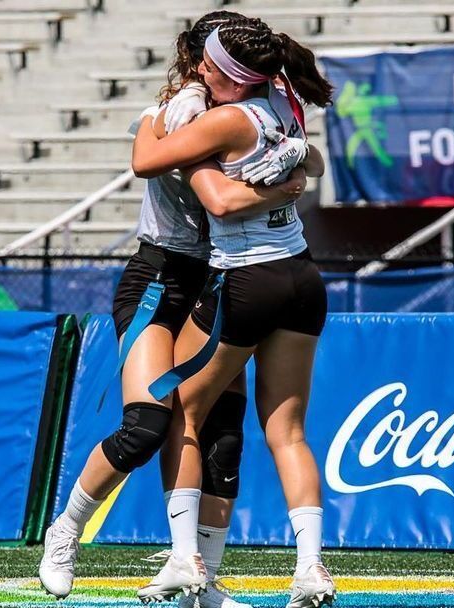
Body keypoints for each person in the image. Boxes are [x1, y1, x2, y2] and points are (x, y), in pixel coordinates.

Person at [38, 12, 310, 608]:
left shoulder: (262, 103)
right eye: (209, 66)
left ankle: (201, 579)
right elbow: (206, 189)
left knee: (223, 436)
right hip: (159, 280)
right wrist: (282, 185)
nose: (211, 74)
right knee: (147, 424)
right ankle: (66, 532)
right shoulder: (183, 114)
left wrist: (298, 164)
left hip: (218, 277)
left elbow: (305, 155)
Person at [131, 17, 337, 608]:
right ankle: (310, 568)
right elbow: (314, 163)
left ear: (228, 72)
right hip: (302, 275)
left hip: (247, 278)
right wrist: (289, 180)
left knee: (179, 411)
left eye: (209, 67)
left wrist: (155, 111)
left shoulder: (227, 116)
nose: (201, 72)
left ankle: (182, 558)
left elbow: (147, 161)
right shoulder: (283, 100)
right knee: (288, 431)